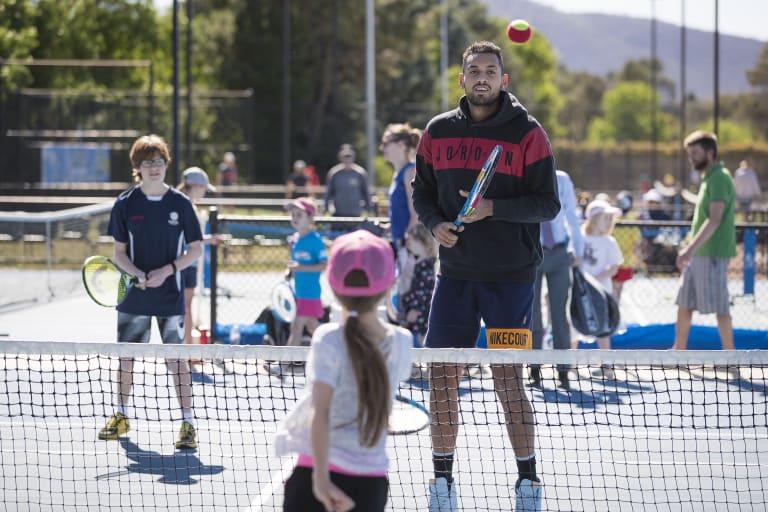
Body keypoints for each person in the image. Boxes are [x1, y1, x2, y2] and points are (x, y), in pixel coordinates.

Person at [412, 40, 559, 511]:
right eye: (473, 69)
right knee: (440, 376)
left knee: (507, 378)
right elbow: (422, 192)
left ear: (503, 79)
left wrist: (493, 207)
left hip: (511, 279)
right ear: (461, 79)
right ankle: (442, 483)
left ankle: (528, 483)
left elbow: (547, 203)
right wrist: (435, 224)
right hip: (454, 277)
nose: (482, 77)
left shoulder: (529, 133)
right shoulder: (435, 132)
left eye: (490, 70)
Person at [274, 229, 413, 512]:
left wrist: (321, 479)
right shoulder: (403, 342)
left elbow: (320, 412)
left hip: (314, 476)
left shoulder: (327, 338)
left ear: (334, 285)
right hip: (370, 485)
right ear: (389, 284)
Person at [98, 134, 203, 450]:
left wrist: (166, 271)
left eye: (159, 161)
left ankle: (188, 423)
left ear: (166, 165)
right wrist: (138, 274)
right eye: (148, 162)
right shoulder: (125, 204)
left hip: (170, 295)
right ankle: (121, 414)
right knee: (126, 358)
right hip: (134, 295)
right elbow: (119, 252)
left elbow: (195, 249)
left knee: (176, 360)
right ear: (138, 168)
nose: (155, 167)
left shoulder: (181, 204)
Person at [673, 131, 736, 351]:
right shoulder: (709, 178)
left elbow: (715, 219)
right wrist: (690, 249)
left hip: (712, 254)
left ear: (710, 153)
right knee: (684, 303)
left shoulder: (719, 177)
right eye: (689, 154)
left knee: (721, 307)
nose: (691, 158)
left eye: (695, 153)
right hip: (699, 254)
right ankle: (678, 352)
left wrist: (689, 249)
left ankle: (730, 359)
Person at [529, 170, 584, 391]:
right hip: (532, 254)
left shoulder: (562, 179)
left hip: (560, 253)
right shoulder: (526, 176)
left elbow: (571, 214)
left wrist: (578, 251)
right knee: (533, 314)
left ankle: (563, 371)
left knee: (560, 313)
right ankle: (534, 369)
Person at [276, 198, 328, 370]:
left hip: (310, 293)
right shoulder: (295, 239)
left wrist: (301, 267)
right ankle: (339, 355)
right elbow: (294, 264)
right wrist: (290, 271)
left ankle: (282, 367)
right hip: (299, 293)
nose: (295, 218)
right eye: (293, 215)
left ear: (310, 218)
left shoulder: (315, 240)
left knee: (296, 328)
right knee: (314, 328)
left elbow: (323, 265)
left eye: (299, 215)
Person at [176, 167, 222, 349]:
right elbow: (187, 237)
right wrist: (209, 240)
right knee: (183, 309)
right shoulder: (183, 206)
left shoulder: (188, 206)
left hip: (189, 263)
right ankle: (185, 351)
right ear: (195, 186)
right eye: (203, 187)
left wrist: (209, 240)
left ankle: (186, 349)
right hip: (182, 263)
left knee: (185, 308)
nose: (204, 192)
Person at [580, 199, 624, 379]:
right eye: (605, 218)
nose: (608, 222)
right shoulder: (581, 239)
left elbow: (614, 267)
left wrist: (594, 280)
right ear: (594, 219)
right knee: (574, 325)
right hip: (581, 292)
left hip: (601, 294)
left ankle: (607, 367)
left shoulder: (610, 242)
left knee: (603, 328)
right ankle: (568, 366)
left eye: (609, 218)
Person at [381, 123, 422, 250]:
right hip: (401, 243)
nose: (381, 147)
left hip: (411, 245)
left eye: (386, 143)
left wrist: (406, 244)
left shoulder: (410, 172)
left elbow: (416, 215)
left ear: (401, 144)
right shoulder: (398, 173)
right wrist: (388, 228)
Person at [397, 223, 437, 347]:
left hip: (421, 313)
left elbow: (423, 292)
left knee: (423, 340)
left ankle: (427, 365)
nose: (408, 244)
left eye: (412, 241)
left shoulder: (425, 267)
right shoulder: (420, 263)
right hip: (419, 312)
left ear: (423, 243)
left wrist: (415, 309)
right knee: (421, 339)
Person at [324, 144, 372, 217]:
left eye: (349, 156)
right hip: (338, 214)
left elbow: (366, 193)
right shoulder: (334, 174)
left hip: (355, 215)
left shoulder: (360, 173)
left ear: (353, 157)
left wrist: (369, 210)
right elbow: (328, 194)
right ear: (340, 157)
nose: (347, 159)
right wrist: (326, 209)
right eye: (345, 156)